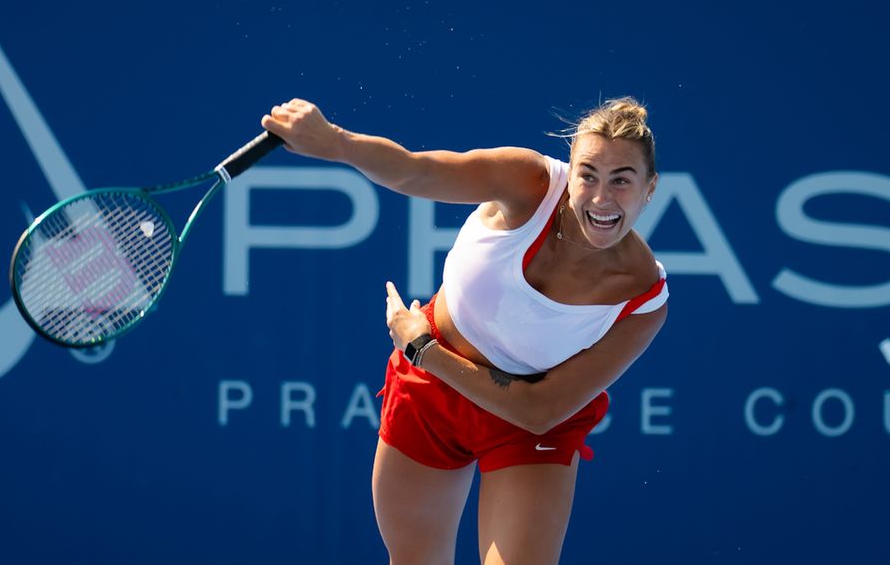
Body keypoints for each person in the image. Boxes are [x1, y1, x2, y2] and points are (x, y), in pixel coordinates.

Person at [261, 96, 669, 565]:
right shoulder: (529, 181)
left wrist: (422, 348)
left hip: (524, 419)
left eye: (621, 181)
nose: (601, 198)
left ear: (649, 188)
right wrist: (335, 142)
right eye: (588, 175)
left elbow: (540, 410)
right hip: (430, 394)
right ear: (569, 171)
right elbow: (416, 171)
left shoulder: (643, 297)